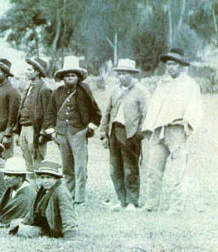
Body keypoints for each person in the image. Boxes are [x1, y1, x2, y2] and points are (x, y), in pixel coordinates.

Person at [141, 48, 203, 213]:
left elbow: (195, 107)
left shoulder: (190, 85)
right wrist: (150, 127)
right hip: (160, 130)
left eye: (174, 64)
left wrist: (186, 124)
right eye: (168, 64)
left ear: (182, 66)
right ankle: (151, 204)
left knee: (178, 171)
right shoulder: (162, 83)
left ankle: (176, 207)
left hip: (177, 130)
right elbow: (154, 106)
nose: (170, 67)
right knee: (154, 169)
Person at [43, 56, 101, 204]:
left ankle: (80, 198)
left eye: (73, 75)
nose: (70, 78)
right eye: (67, 75)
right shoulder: (57, 93)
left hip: (78, 132)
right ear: (62, 77)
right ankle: (69, 194)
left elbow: (96, 112)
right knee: (67, 166)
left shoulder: (84, 91)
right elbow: (50, 113)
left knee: (80, 167)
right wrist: (51, 132)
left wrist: (89, 128)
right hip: (61, 133)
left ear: (78, 77)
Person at [99, 59, 149, 211]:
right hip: (114, 131)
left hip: (130, 133)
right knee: (115, 168)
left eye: (125, 74)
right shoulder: (114, 91)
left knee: (130, 168)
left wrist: (138, 134)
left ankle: (132, 201)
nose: (122, 77)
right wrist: (103, 132)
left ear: (132, 75)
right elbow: (107, 112)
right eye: (120, 74)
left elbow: (146, 115)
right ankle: (121, 200)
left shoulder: (141, 92)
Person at [10, 161, 78, 239]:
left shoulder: (61, 192)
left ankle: (42, 233)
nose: (45, 181)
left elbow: (67, 214)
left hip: (52, 226)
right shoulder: (43, 189)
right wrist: (25, 222)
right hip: (41, 222)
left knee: (23, 230)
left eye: (48, 177)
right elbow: (33, 210)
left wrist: (69, 235)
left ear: (56, 179)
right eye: (42, 177)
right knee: (14, 223)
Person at [17, 58, 53, 183]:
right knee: (27, 161)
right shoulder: (29, 88)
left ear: (37, 72)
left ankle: (40, 190)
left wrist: (43, 133)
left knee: (38, 160)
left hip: (35, 129)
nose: (27, 72)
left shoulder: (44, 89)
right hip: (24, 127)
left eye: (29, 69)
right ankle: (31, 189)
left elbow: (49, 115)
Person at [0, 157, 37, 227]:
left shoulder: (27, 195)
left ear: (20, 177)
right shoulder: (12, 188)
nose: (5, 178)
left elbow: (11, 217)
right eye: (5, 175)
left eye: (9, 175)